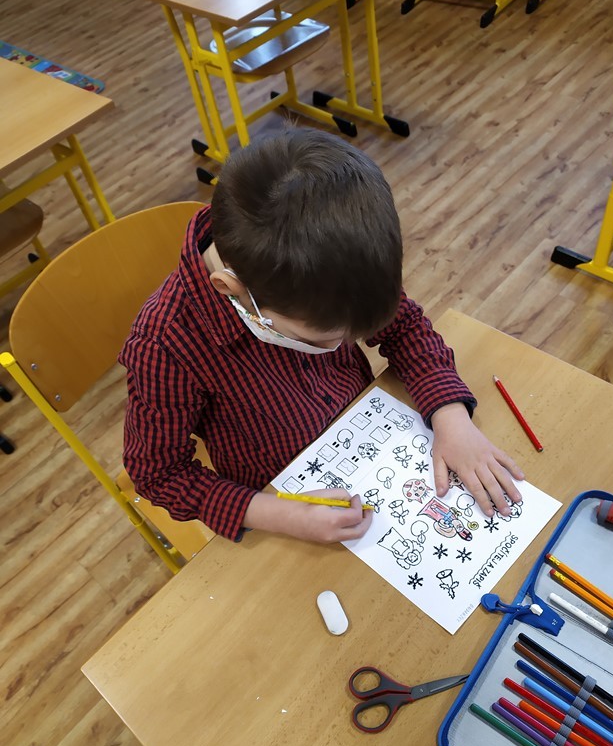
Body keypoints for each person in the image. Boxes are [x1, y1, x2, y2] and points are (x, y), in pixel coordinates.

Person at [119, 127, 523, 545]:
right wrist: (280, 514)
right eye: (325, 339)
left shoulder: (331, 260)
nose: (344, 343)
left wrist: (451, 416)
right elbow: (159, 474)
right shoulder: (164, 344)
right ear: (231, 289)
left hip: (367, 438)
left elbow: (404, 326)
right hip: (285, 497)